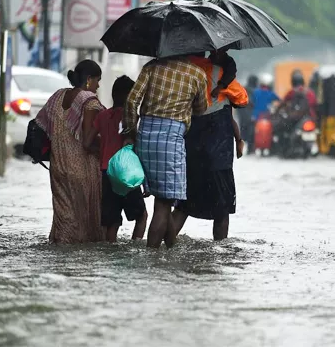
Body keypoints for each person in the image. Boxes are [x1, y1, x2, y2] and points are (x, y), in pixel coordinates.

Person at [122, 56, 208, 249]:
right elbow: (201, 109)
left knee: (163, 198)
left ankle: (171, 248)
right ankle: (152, 256)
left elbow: (131, 100)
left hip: (145, 135)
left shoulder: (152, 66)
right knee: (163, 203)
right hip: (171, 139)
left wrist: (131, 129)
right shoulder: (197, 74)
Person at [169, 50, 249, 241]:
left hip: (190, 151)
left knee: (183, 205)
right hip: (218, 154)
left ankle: (165, 244)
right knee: (222, 208)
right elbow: (242, 99)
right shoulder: (218, 73)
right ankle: (219, 250)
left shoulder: (180, 73)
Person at [34, 59, 106, 244]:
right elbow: (88, 141)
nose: (98, 85)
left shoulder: (57, 96)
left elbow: (43, 124)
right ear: (89, 79)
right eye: (97, 80)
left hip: (58, 167)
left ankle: (59, 252)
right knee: (84, 223)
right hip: (81, 170)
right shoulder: (89, 101)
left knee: (63, 218)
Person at [88, 75, 148, 243]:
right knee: (142, 216)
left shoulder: (102, 116)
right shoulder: (131, 118)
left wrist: (103, 150)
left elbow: (87, 141)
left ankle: (110, 249)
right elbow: (135, 146)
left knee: (112, 222)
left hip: (107, 171)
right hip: (125, 172)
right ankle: (135, 247)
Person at [238, 75, 258, 153]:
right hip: (251, 115)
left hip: (243, 114)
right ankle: (250, 149)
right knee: (251, 132)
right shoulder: (255, 91)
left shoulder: (243, 89)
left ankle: (247, 149)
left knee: (244, 132)